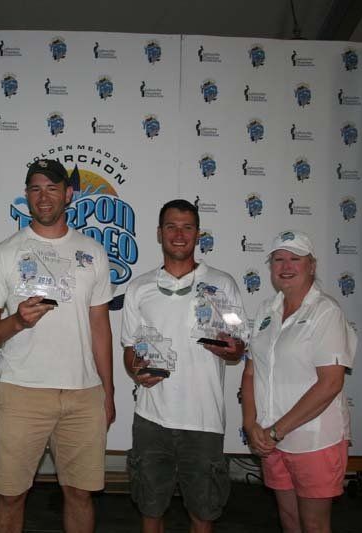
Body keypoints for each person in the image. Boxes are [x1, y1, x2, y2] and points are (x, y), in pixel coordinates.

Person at [0, 159, 115, 533]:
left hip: (84, 394)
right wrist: (17, 320)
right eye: (35, 188)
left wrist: (108, 390)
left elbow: (100, 326)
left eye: (52, 187)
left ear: (69, 194)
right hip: (23, 393)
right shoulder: (4, 253)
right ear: (27, 196)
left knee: (81, 494)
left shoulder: (94, 252)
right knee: (9, 495)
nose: (44, 196)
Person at [121, 199, 248, 533]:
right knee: (150, 510)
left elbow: (237, 343)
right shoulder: (139, 288)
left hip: (203, 420)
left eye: (187, 227)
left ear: (198, 234)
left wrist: (232, 348)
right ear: (159, 233)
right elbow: (130, 350)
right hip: (151, 420)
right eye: (171, 227)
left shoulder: (224, 284)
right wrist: (138, 370)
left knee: (203, 514)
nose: (179, 234)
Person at [241, 230, 356, 533]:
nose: (286, 266)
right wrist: (250, 423)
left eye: (295, 259)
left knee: (314, 524)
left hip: (313, 440)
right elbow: (252, 371)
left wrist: (276, 431)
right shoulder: (268, 310)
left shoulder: (326, 312)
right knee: (289, 520)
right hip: (270, 439)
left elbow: (330, 384)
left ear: (311, 266)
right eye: (279, 259)